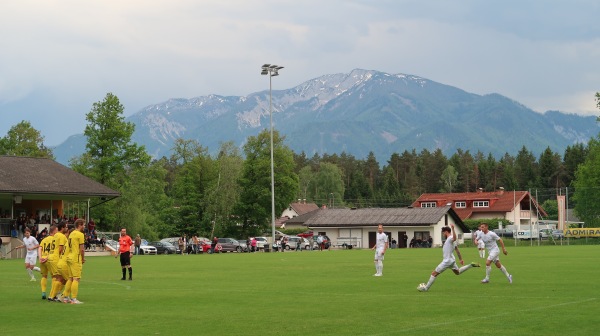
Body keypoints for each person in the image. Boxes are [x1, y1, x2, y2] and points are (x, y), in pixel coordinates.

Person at [417, 224, 480, 292]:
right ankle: (471, 265)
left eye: (443, 232)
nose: (443, 234)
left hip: (447, 261)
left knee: (434, 274)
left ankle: (426, 288)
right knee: (457, 272)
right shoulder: (450, 240)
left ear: (446, 232)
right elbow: (457, 250)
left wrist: (453, 229)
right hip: (451, 260)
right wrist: (460, 259)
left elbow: (454, 238)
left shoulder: (450, 238)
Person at [64, 219, 86, 304]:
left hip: (69, 257)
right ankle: (74, 299)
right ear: (80, 225)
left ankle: (66, 297)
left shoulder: (71, 233)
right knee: (76, 279)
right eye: (83, 225)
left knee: (70, 278)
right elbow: (82, 249)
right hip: (75, 258)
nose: (84, 226)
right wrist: (83, 258)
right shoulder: (80, 234)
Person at [47, 221, 68, 301]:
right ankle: (53, 296)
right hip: (56, 258)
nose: (66, 228)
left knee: (56, 278)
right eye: (65, 227)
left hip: (51, 257)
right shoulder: (62, 236)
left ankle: (53, 295)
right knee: (61, 278)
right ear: (62, 227)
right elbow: (60, 249)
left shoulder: (56, 235)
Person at [38, 225, 56, 300]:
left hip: (42, 259)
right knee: (54, 277)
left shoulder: (44, 239)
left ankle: (43, 292)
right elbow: (53, 250)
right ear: (54, 231)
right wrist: (47, 258)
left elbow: (40, 248)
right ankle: (52, 294)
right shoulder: (55, 239)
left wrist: (40, 257)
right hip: (49, 259)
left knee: (44, 276)